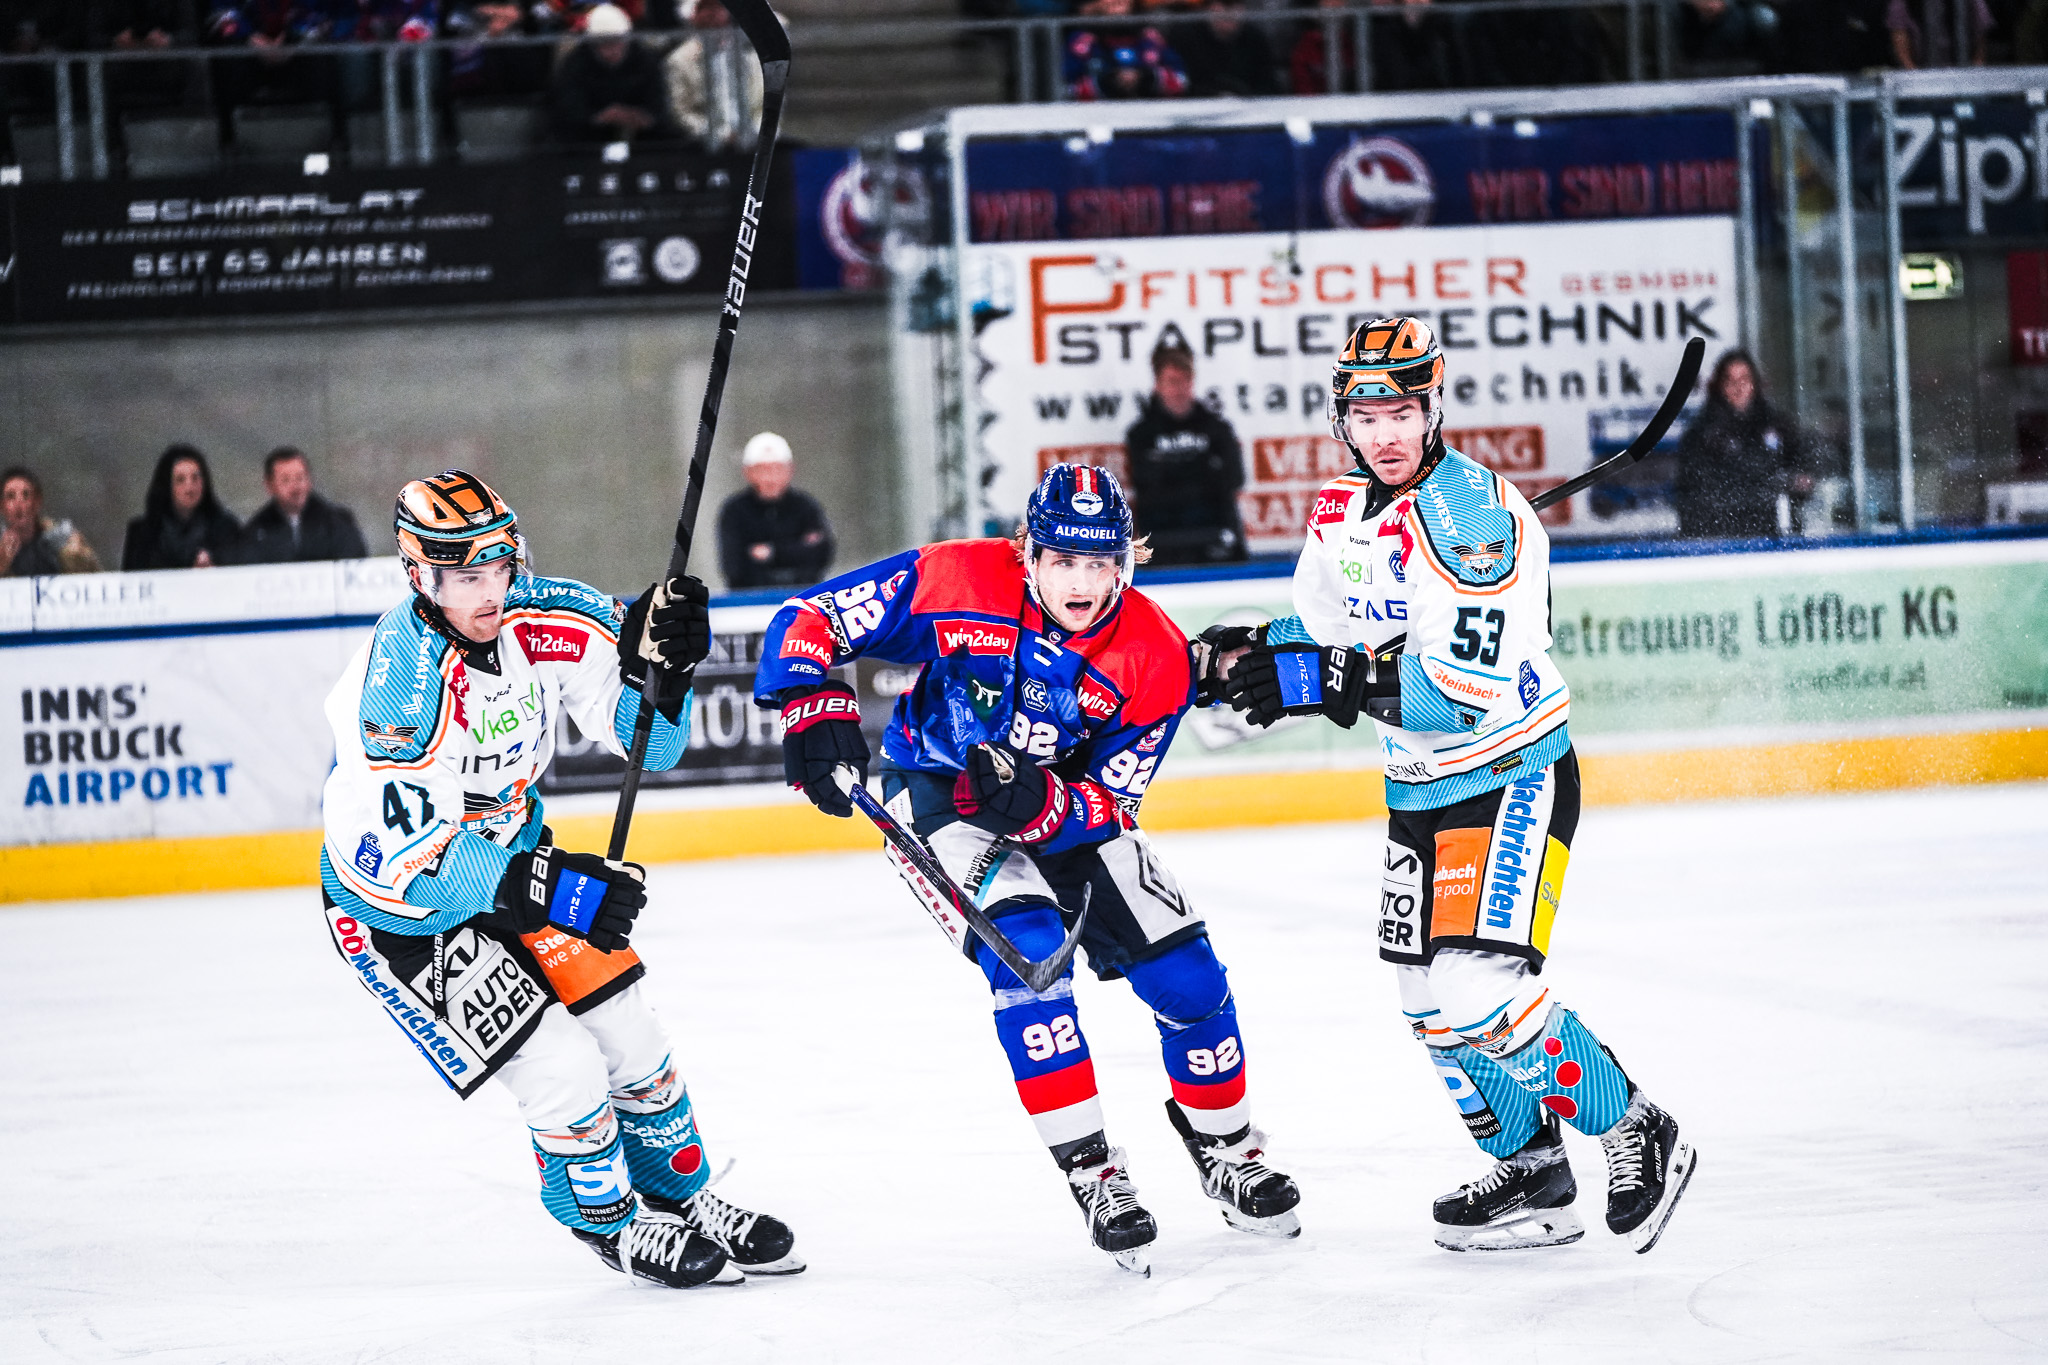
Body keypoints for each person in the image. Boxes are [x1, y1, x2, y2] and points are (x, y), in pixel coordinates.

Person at [1205, 317, 1697, 1256]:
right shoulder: (1340, 509)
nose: (1385, 433)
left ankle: (1635, 1124)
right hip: (1418, 791)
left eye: (1402, 411)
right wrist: (1241, 656)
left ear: (1433, 408)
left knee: (1476, 988)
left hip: (1510, 773)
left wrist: (1325, 680)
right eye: (1366, 415)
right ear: (1342, 420)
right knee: (1426, 1001)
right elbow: (1323, 636)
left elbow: (1457, 696)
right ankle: (1534, 1173)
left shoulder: (1475, 521)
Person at [753, 464, 1301, 1276]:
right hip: (939, 791)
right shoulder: (956, 577)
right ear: (1028, 553)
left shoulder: (1154, 654)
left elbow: (1113, 800)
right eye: (1064, 561)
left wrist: (1044, 806)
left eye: (1100, 563)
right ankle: (1094, 1173)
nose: (1082, 583)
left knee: (1189, 976)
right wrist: (810, 700)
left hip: (1064, 806)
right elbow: (811, 616)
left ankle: (1227, 1150)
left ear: (1125, 563)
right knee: (1031, 960)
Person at [319, 469, 802, 1288]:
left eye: (498, 566)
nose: (491, 591)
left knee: (631, 1033)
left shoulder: (549, 614)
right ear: (419, 575)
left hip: (515, 861)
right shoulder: (398, 685)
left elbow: (649, 746)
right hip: (401, 913)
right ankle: (609, 1221)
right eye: (466, 577)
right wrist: (556, 888)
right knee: (562, 1064)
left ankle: (679, 1194)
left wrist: (668, 673)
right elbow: (420, 863)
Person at [1123, 344, 1247, 565]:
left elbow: (1235, 479)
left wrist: (1171, 471)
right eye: (1172, 382)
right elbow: (1146, 486)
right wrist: (1203, 471)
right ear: (1158, 386)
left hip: (1216, 535)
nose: (1179, 389)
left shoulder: (1218, 429)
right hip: (1162, 540)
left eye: (1185, 381)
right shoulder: (1141, 435)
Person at [1673, 349, 1813, 539]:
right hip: (1723, 536)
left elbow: (1806, 458)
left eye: (1744, 379)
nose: (1738, 388)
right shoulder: (1702, 433)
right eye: (1730, 381)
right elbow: (1698, 493)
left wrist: (1799, 480)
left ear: (1755, 383)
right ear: (1719, 386)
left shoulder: (1776, 424)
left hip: (1774, 533)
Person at [714, 431, 835, 590]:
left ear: (790, 470)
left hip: (803, 596)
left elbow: (821, 555)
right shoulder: (734, 511)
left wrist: (772, 553)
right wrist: (796, 550)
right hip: (750, 601)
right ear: (747, 472)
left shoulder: (806, 507)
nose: (770, 478)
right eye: (762, 470)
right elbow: (734, 566)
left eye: (777, 469)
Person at [551, 2, 678, 143]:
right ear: (592, 44)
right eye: (603, 44)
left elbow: (659, 106)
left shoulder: (646, 60)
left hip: (643, 139)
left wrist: (640, 117)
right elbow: (568, 110)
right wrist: (600, 117)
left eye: (616, 42)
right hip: (589, 140)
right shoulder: (575, 63)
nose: (611, 51)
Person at [239, 446, 372, 564]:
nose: (295, 487)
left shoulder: (336, 522)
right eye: (286, 480)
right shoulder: (259, 530)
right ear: (269, 485)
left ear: (309, 480)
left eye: (300, 478)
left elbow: (354, 561)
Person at [122, 444, 243, 570]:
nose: (189, 488)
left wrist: (214, 569)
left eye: (195, 478)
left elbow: (237, 574)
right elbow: (133, 578)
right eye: (180, 480)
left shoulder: (225, 528)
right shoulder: (142, 533)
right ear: (166, 486)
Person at [664, 0, 764, 153]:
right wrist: (719, 134)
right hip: (703, 146)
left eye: (717, 7)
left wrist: (756, 131)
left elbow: (763, 103)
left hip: (754, 140)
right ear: (694, 15)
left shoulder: (750, 55)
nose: (712, 14)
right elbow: (681, 113)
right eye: (705, 8)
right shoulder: (679, 60)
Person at [1064, 0, 1190, 100]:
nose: (1118, 1)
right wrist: (1109, 81)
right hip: (1098, 116)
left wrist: (1145, 77)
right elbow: (1066, 88)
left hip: (1151, 112)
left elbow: (1181, 80)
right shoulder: (1083, 41)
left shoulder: (1151, 37)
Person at [1, 467, 101, 577]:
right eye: (10, 496)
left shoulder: (62, 539)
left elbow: (94, 578)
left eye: (26, 495)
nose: (18, 504)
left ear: (37, 502)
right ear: (2, 505)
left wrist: (75, 557)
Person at [1177, 0, 1282, 97]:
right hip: (1199, 105)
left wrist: (1243, 96)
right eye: (1224, 4)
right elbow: (1183, 83)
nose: (1229, 12)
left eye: (1235, 5)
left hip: (1249, 105)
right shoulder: (1186, 38)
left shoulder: (1255, 39)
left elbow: (1268, 83)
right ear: (1208, 8)